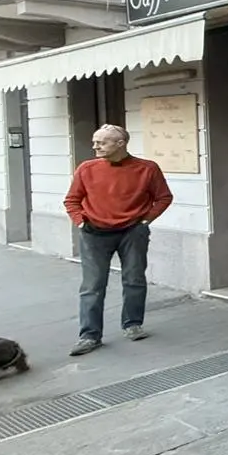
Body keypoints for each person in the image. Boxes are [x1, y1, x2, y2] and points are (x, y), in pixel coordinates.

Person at [62, 124, 173, 356]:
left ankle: (133, 324)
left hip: (133, 231)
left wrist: (145, 221)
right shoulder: (86, 169)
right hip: (94, 233)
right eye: (95, 141)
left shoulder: (147, 169)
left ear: (120, 143)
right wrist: (81, 221)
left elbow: (164, 197)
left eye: (101, 142)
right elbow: (71, 200)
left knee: (134, 279)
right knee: (92, 286)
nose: (95, 146)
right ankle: (89, 336)